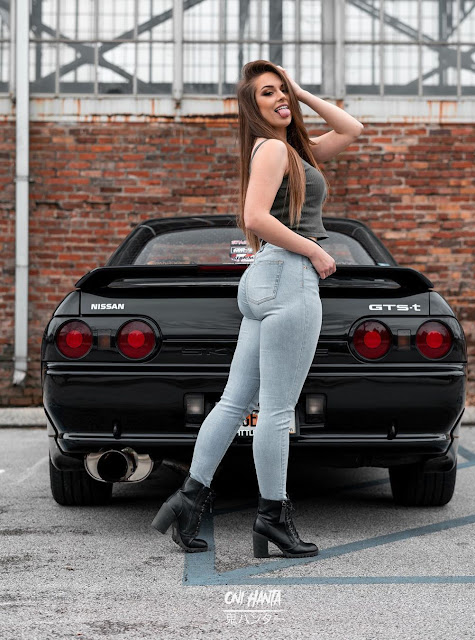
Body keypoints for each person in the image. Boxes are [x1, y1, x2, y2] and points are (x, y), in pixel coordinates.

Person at [151, 60, 364, 557]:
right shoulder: (271, 149)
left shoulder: (294, 150)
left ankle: (187, 500)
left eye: (281, 89)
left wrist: (299, 91)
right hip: (290, 275)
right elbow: (255, 216)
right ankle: (272, 517)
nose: (280, 98)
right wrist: (314, 251)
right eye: (268, 93)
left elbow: (352, 128)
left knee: (233, 402)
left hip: (266, 277)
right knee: (277, 410)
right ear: (253, 108)